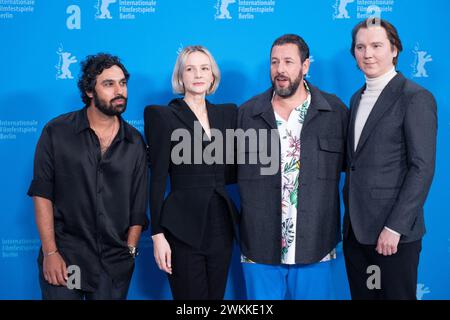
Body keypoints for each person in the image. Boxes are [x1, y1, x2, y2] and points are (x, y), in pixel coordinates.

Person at [27, 53, 148, 300]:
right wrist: (51, 253)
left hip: (113, 264)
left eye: (122, 83)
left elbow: (138, 204)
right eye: (109, 84)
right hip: (67, 257)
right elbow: (42, 194)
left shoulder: (135, 142)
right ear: (89, 90)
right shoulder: (57, 132)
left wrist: (131, 251)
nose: (119, 91)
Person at [237, 34, 348, 299]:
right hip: (259, 247)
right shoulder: (247, 113)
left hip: (316, 243)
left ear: (306, 66)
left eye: (288, 61)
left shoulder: (334, 111)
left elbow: (354, 169)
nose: (280, 70)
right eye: (275, 62)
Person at [343, 18, 437, 300]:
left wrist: (394, 227)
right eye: (360, 47)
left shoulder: (415, 97)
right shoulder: (356, 99)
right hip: (356, 234)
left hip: (393, 236)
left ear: (394, 50)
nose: (367, 53)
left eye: (376, 45)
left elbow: (422, 168)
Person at [144, 45, 238, 300]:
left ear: (212, 76)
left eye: (204, 68)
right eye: (190, 69)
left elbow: (236, 169)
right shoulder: (162, 116)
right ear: (180, 77)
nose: (198, 74)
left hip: (221, 224)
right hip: (181, 227)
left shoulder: (228, 114)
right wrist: (157, 235)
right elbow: (158, 178)